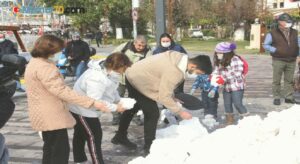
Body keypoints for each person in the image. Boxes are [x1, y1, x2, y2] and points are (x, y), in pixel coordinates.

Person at [24, 35, 109, 164]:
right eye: (58, 50)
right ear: (49, 49)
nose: (60, 53)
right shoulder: (44, 67)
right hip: (51, 115)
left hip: (41, 112)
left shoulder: (35, 62)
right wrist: (91, 102)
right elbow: (61, 91)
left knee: (50, 149)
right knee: (59, 152)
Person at [111, 51, 212, 155]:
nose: (196, 75)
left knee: (133, 106)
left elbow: (164, 80)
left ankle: (120, 136)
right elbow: (164, 96)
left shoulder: (179, 57)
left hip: (135, 73)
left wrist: (172, 96)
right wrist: (180, 112)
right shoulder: (175, 71)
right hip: (138, 79)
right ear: (193, 66)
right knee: (152, 113)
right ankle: (149, 148)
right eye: (198, 73)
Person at [69, 52, 131, 164]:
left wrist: (119, 100)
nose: (125, 70)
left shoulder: (109, 72)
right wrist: (116, 107)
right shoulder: (96, 78)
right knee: (94, 136)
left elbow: (112, 89)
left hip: (86, 108)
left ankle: (80, 160)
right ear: (116, 66)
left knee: (80, 134)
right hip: (83, 110)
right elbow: (95, 101)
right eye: (124, 68)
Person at [111, 35, 152, 125]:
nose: (141, 48)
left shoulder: (148, 52)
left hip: (135, 80)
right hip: (120, 78)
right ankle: (116, 116)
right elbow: (112, 56)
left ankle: (135, 116)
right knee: (116, 97)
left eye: (143, 46)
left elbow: (149, 65)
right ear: (134, 43)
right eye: (139, 45)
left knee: (135, 99)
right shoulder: (125, 47)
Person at [263, 13, 300, 105]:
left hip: (291, 60)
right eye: (287, 21)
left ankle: (289, 97)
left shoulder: (295, 32)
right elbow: (265, 45)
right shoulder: (272, 33)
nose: (289, 23)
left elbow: (298, 44)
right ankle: (276, 97)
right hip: (278, 60)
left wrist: (298, 55)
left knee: (289, 80)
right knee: (277, 80)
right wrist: (276, 50)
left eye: (290, 21)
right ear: (280, 22)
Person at [213, 42, 249, 125]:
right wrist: (213, 77)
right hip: (226, 87)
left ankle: (247, 120)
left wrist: (223, 79)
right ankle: (229, 120)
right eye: (217, 52)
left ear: (226, 53)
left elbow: (236, 73)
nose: (217, 54)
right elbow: (216, 70)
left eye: (219, 52)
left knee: (237, 103)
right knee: (227, 104)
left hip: (237, 86)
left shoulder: (235, 59)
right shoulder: (220, 60)